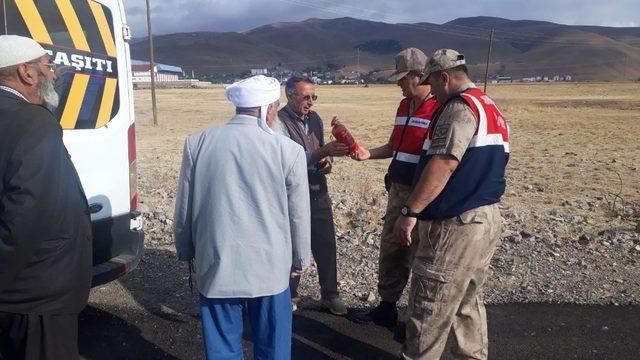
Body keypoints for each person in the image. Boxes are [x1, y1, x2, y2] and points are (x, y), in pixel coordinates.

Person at [173, 75, 311, 359]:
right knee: (273, 347)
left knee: (222, 346)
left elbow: (184, 206)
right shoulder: (289, 151)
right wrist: (300, 258)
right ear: (269, 108)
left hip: (217, 264)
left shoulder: (197, 143)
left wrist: (185, 249)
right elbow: (298, 213)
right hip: (271, 269)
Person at [394, 49, 510, 359]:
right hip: (485, 217)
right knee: (466, 301)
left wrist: (410, 211)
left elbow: (443, 164)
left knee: (429, 304)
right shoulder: (489, 106)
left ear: (445, 77)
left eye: (433, 84)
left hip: (456, 224)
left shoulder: (458, 109)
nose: (431, 91)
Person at [0, 35, 92, 359]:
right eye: (47, 67)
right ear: (26, 73)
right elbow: (26, 217)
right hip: (35, 296)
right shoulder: (33, 121)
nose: (52, 75)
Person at [352, 48, 439, 328]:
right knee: (391, 249)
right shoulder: (404, 106)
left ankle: (417, 325)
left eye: (403, 78)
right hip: (398, 190)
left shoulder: (440, 107)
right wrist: (368, 154)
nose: (399, 84)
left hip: (422, 197)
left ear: (418, 75)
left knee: (419, 255)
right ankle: (387, 306)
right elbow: (394, 146)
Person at [278, 76, 349, 316]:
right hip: (292, 193)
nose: (311, 102)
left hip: (318, 190)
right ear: (290, 96)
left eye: (313, 97)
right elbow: (290, 159)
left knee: (326, 243)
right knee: (291, 246)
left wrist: (328, 160)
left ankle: (330, 294)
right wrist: (323, 151)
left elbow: (317, 152)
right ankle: (288, 295)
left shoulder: (315, 119)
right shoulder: (279, 121)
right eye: (306, 97)